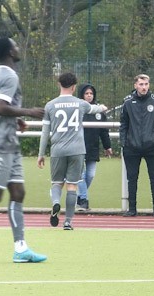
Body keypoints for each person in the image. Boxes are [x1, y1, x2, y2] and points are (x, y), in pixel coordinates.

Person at [0, 37, 47, 262]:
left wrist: (15, 121)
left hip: (8, 140)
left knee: (18, 193)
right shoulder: (9, 75)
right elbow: (0, 107)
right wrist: (29, 112)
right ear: (10, 52)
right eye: (15, 45)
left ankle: (21, 249)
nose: (18, 47)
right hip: (0, 143)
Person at [37, 73, 108, 230]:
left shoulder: (50, 105)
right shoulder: (80, 103)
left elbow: (45, 132)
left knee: (57, 183)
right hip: (77, 150)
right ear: (74, 87)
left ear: (59, 84)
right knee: (72, 186)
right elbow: (95, 108)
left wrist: (41, 154)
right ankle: (68, 222)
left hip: (57, 150)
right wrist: (102, 107)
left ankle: (56, 203)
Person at [119, 74, 154, 217]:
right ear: (135, 86)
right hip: (131, 147)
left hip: (152, 147)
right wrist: (123, 143)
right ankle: (132, 209)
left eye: (146, 84)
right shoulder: (127, 102)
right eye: (141, 84)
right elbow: (123, 124)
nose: (144, 87)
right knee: (132, 178)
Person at [76, 83, 113, 211]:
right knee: (80, 175)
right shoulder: (77, 109)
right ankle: (84, 200)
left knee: (90, 175)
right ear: (82, 95)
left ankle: (79, 197)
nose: (89, 96)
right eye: (86, 93)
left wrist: (107, 146)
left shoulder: (99, 112)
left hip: (92, 147)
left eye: (91, 93)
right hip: (78, 147)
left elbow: (104, 131)